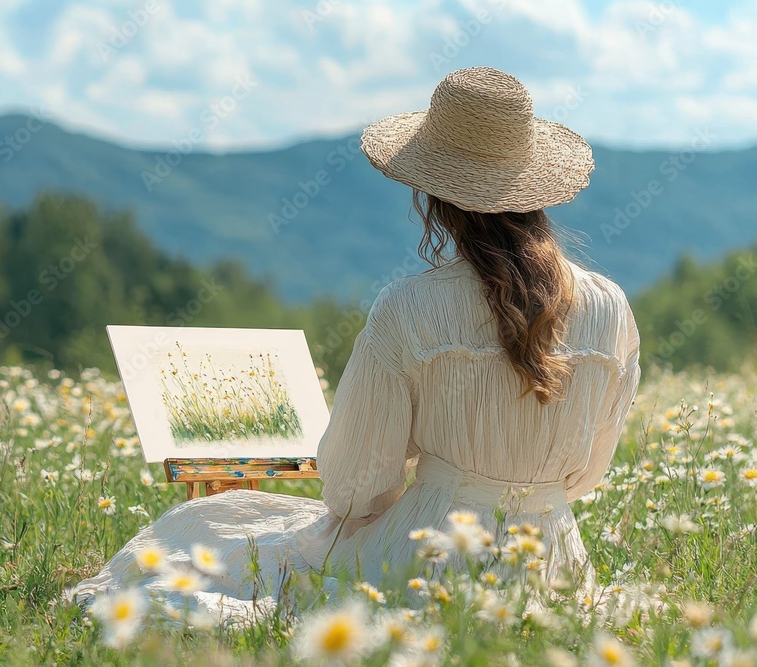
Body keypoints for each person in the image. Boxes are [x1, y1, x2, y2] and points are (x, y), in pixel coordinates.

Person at [68, 66, 641, 624]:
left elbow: (355, 482)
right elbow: (587, 474)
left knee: (207, 527)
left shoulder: (408, 308)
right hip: (555, 565)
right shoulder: (610, 306)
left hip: (428, 557)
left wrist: (386, 510)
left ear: (433, 196)